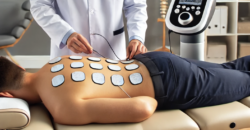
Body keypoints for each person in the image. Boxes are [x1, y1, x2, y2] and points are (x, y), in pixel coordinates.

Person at [0, 51, 250, 125]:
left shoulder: (63, 108)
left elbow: (144, 106)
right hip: (156, 59)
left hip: (174, 84)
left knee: (245, 82)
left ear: (5, 95)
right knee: (233, 69)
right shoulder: (54, 61)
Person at [30, 0, 148, 60]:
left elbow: (136, 5)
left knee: (113, 94)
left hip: (112, 50)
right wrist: (65, 34)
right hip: (69, 53)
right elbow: (40, 5)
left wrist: (136, 37)